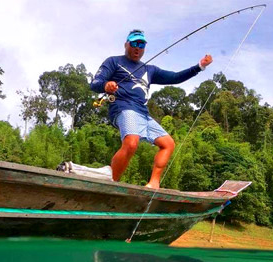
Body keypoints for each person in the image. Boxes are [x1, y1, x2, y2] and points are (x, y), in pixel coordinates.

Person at [91, 29, 213, 189]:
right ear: (126, 44)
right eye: (134, 43)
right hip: (123, 106)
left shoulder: (150, 70)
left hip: (142, 112)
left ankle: (153, 183)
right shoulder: (113, 61)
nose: (137, 48)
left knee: (168, 144)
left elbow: (175, 77)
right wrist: (106, 85)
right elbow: (94, 83)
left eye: (141, 44)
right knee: (131, 142)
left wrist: (199, 66)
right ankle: (111, 184)